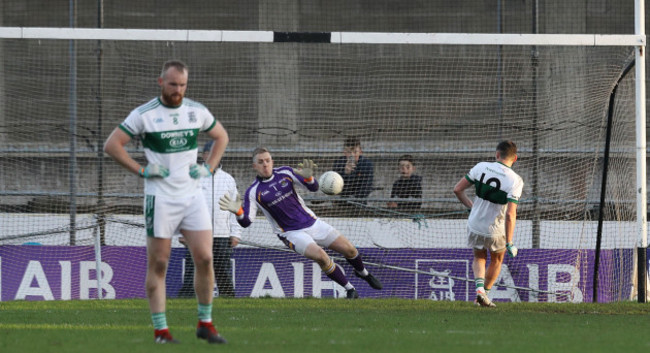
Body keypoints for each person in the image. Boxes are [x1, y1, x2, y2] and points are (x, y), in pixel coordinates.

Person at [103, 60, 228, 344]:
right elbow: (112, 145)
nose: (178, 90)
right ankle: (161, 331)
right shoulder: (144, 114)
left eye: (183, 85)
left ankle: (205, 324)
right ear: (161, 82)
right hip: (160, 198)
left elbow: (221, 136)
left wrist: (208, 167)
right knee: (159, 262)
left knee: (206, 258)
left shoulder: (196, 110)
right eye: (173, 84)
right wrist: (142, 170)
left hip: (192, 195)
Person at [219, 147, 383, 299]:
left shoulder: (286, 173)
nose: (265, 164)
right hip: (291, 233)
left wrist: (309, 178)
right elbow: (247, 222)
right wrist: (239, 212)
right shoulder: (253, 192)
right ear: (254, 166)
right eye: (261, 162)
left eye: (268, 160)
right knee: (321, 256)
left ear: (272, 161)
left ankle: (363, 273)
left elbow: (313, 188)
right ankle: (350, 289)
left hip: (313, 223)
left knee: (350, 249)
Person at [453, 141, 523, 308]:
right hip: (495, 229)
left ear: (497, 154)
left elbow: (457, 189)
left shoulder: (481, 167)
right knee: (497, 260)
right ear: (515, 158)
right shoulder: (515, 180)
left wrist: (472, 207)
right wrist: (510, 242)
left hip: (475, 224)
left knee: (479, 257)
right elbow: (510, 214)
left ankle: (479, 291)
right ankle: (485, 293)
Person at [178, 141, 242, 299]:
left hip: (221, 235)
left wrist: (235, 233)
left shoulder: (228, 179)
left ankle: (229, 300)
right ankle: (186, 300)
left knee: (223, 272)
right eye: (209, 152)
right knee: (193, 270)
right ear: (203, 155)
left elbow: (235, 209)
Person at [332, 137, 374, 203]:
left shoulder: (367, 164)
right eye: (349, 152)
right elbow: (336, 186)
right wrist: (346, 173)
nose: (352, 155)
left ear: (360, 152)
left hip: (359, 201)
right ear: (344, 152)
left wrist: (356, 199)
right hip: (341, 200)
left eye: (355, 152)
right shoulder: (338, 163)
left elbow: (367, 185)